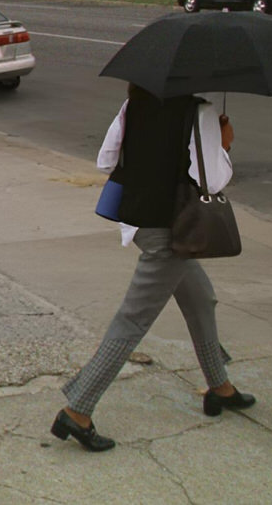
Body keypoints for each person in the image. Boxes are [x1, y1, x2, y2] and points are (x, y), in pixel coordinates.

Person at [52, 83, 255, 452]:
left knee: (200, 298)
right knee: (132, 321)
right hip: (174, 231)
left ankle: (219, 386)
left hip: (140, 222)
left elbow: (106, 159)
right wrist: (223, 144)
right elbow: (212, 180)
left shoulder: (135, 104)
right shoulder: (201, 112)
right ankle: (77, 410)